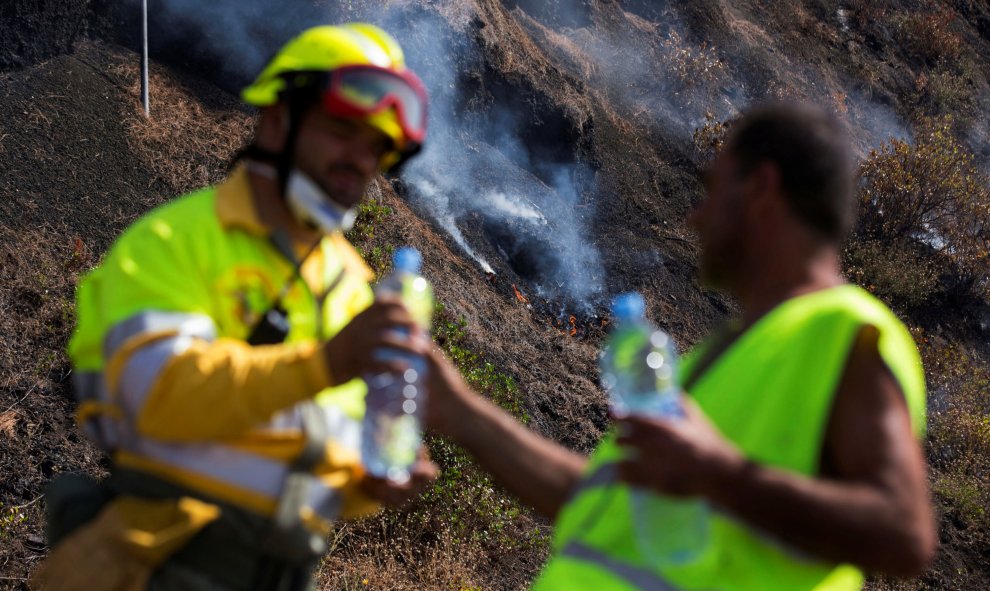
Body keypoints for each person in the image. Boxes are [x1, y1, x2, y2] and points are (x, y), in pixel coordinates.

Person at [424, 103, 936, 590]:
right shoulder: (721, 358)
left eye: (711, 189)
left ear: (761, 187)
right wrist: (460, 412)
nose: (695, 216)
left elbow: (903, 532)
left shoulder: (843, 332)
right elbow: (603, 503)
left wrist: (717, 472)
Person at [36, 23, 436, 591]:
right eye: (343, 130)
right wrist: (325, 363)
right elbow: (158, 398)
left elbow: (310, 454)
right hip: (145, 570)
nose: (360, 160)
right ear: (276, 119)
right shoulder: (175, 242)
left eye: (377, 146)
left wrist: (370, 486)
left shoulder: (353, 286)